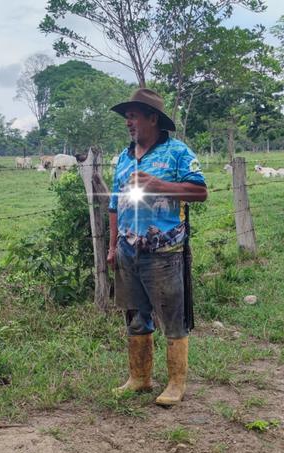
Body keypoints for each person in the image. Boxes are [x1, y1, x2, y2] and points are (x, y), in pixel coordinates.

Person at [107, 88, 208, 406]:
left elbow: (200, 192)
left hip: (164, 254)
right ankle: (140, 378)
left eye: (133, 116)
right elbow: (113, 206)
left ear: (153, 119)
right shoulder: (123, 157)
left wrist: (160, 185)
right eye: (127, 117)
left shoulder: (178, 152)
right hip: (128, 251)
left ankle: (176, 383)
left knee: (172, 318)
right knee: (136, 316)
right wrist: (112, 248)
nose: (128, 122)